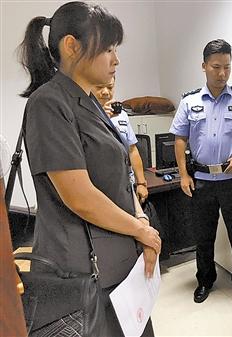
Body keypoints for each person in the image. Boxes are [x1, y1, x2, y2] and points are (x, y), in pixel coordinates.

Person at [18, 2, 160, 336]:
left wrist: (140, 219)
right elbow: (79, 196)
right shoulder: (48, 104)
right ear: (71, 46)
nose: (116, 59)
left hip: (120, 260)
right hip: (85, 271)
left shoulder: (92, 101)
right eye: (108, 48)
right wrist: (141, 231)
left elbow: (121, 174)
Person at [170, 39, 232, 305]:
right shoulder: (190, 102)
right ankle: (205, 280)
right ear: (204, 67)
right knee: (203, 236)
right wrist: (183, 175)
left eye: (227, 67)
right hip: (200, 180)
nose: (222, 73)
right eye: (216, 67)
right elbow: (180, 138)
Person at [93, 77, 149, 203]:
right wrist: (101, 119)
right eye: (99, 87)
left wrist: (141, 183)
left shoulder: (122, 115)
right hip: (100, 187)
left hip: (127, 184)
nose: (106, 92)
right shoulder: (84, 115)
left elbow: (132, 150)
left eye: (110, 87)